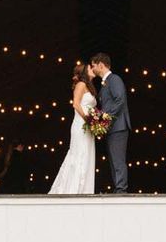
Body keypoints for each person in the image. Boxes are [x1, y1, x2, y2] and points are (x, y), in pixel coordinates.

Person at [46, 61, 98, 195]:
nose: (92, 69)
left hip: (88, 125)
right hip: (81, 124)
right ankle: (74, 189)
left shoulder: (90, 86)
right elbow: (75, 104)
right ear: (84, 73)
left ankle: (85, 189)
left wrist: (96, 120)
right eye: (89, 68)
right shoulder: (81, 85)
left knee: (87, 153)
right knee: (79, 153)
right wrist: (87, 119)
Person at [89, 52, 131, 193]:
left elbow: (120, 99)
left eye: (93, 66)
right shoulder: (106, 83)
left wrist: (105, 118)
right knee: (114, 159)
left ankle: (121, 189)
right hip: (112, 127)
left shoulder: (114, 79)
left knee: (118, 159)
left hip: (118, 126)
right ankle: (118, 188)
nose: (93, 68)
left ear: (101, 65)